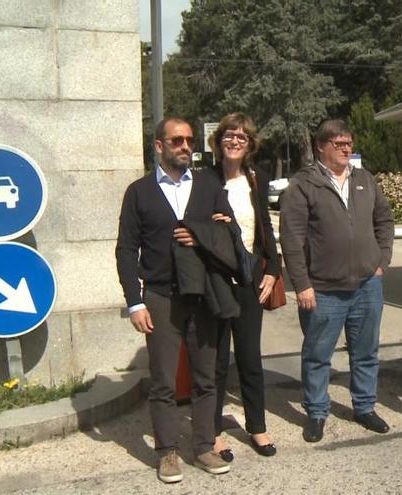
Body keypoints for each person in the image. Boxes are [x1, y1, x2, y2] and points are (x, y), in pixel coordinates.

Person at [115, 117, 232, 483]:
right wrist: (135, 302)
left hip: (203, 295)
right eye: (177, 140)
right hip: (160, 296)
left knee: (206, 377)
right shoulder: (139, 192)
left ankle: (202, 446)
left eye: (189, 140)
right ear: (159, 146)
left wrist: (202, 235)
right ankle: (167, 451)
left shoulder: (209, 185)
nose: (185, 146)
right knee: (164, 380)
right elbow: (125, 249)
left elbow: (230, 231)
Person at [280, 119, 395, 443]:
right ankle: (317, 412)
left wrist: (381, 260)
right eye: (339, 143)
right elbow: (292, 239)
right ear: (321, 146)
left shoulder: (364, 179)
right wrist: (302, 284)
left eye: (349, 143)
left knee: (366, 351)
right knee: (317, 355)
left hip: (366, 286)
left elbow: (384, 220)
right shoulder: (303, 185)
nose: (347, 149)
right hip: (324, 290)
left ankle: (364, 407)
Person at [208, 113, 280, 460]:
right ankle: (213, 431)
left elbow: (264, 225)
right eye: (229, 135)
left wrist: (273, 269)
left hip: (250, 277)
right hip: (216, 280)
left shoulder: (256, 178)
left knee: (250, 357)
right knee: (218, 360)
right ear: (218, 141)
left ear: (250, 144)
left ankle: (257, 427)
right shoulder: (204, 179)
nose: (235, 140)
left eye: (242, 137)